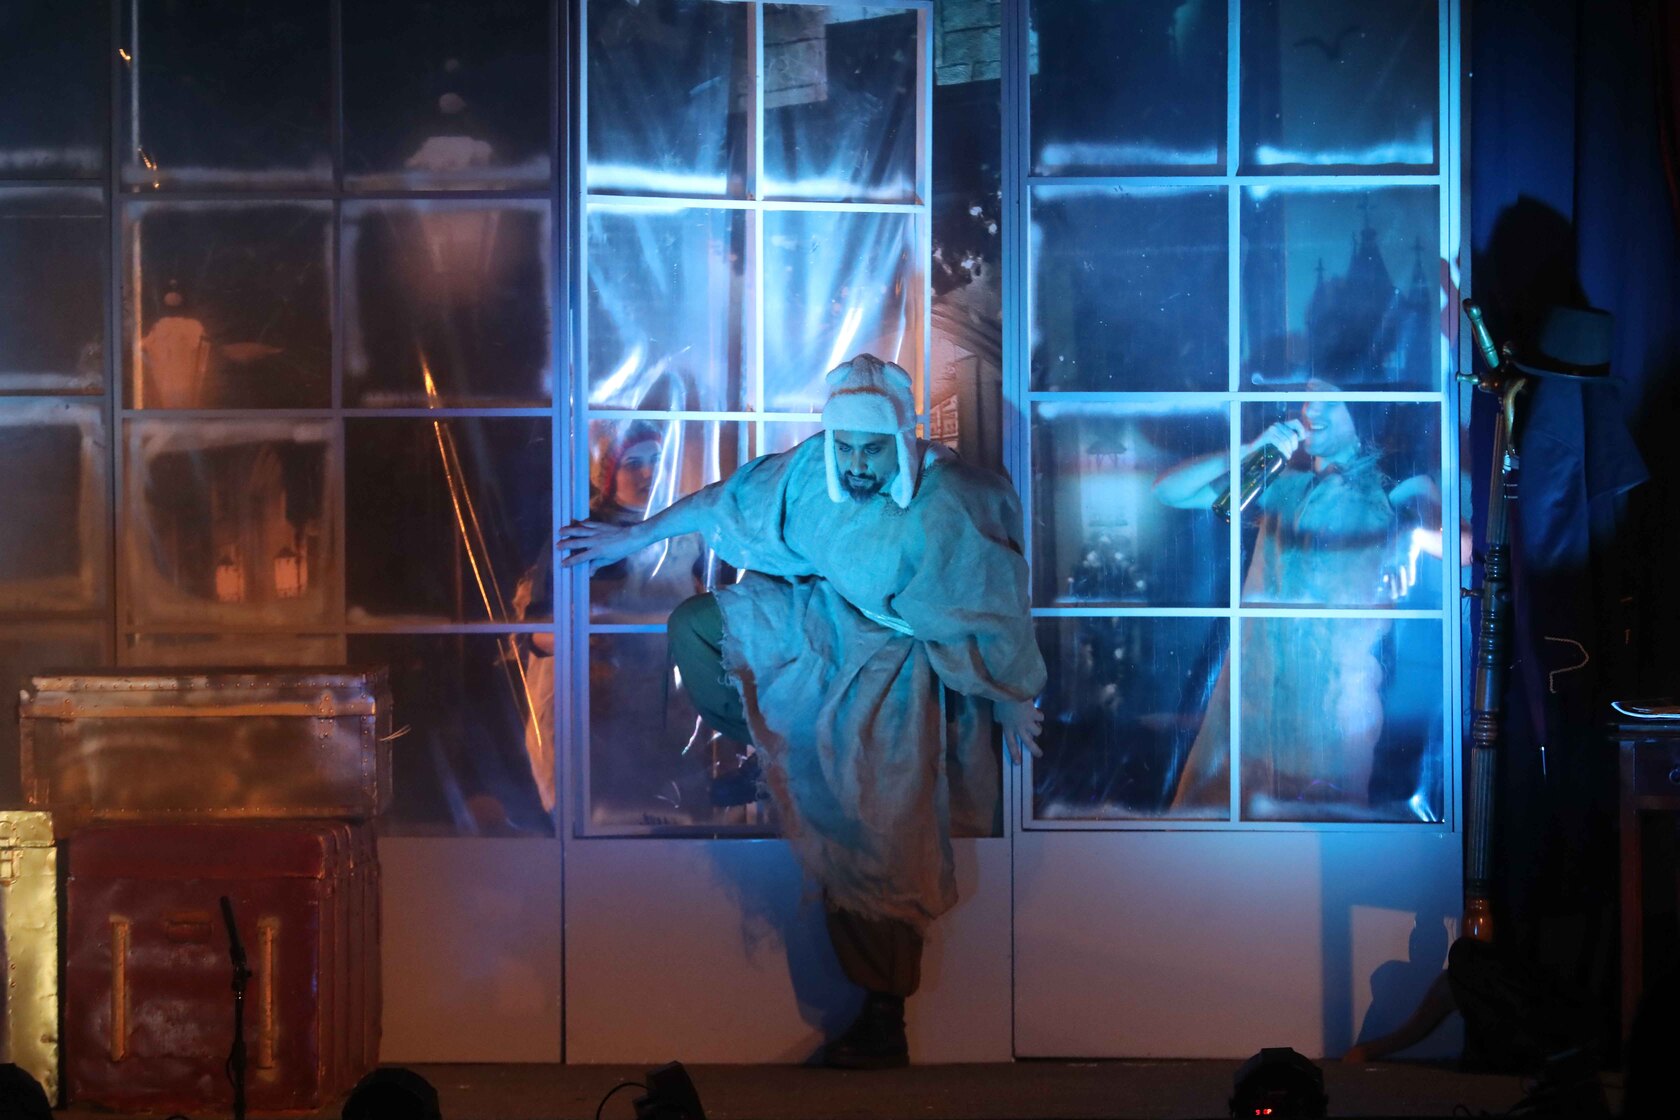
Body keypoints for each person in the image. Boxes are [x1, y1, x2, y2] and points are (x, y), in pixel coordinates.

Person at [558, 353, 1046, 1068]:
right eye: (845, 447)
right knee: (699, 627)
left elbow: (992, 604)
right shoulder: (812, 471)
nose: (856, 465)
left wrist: (1010, 694)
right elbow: (726, 500)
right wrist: (634, 534)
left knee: (875, 815)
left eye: (872, 449)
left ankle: (883, 1016)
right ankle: (780, 746)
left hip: (898, 650)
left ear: (902, 440)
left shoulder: (948, 502)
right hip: (820, 616)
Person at [1154, 392, 1436, 817]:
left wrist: (1413, 536)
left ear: (1362, 411)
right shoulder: (1280, 478)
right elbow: (1170, 492)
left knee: (1315, 836)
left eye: (1328, 401)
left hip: (1329, 713)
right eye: (1308, 399)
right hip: (1247, 705)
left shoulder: (1395, 481)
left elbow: (1462, 545)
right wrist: (1250, 451)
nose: (1311, 410)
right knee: (1217, 836)